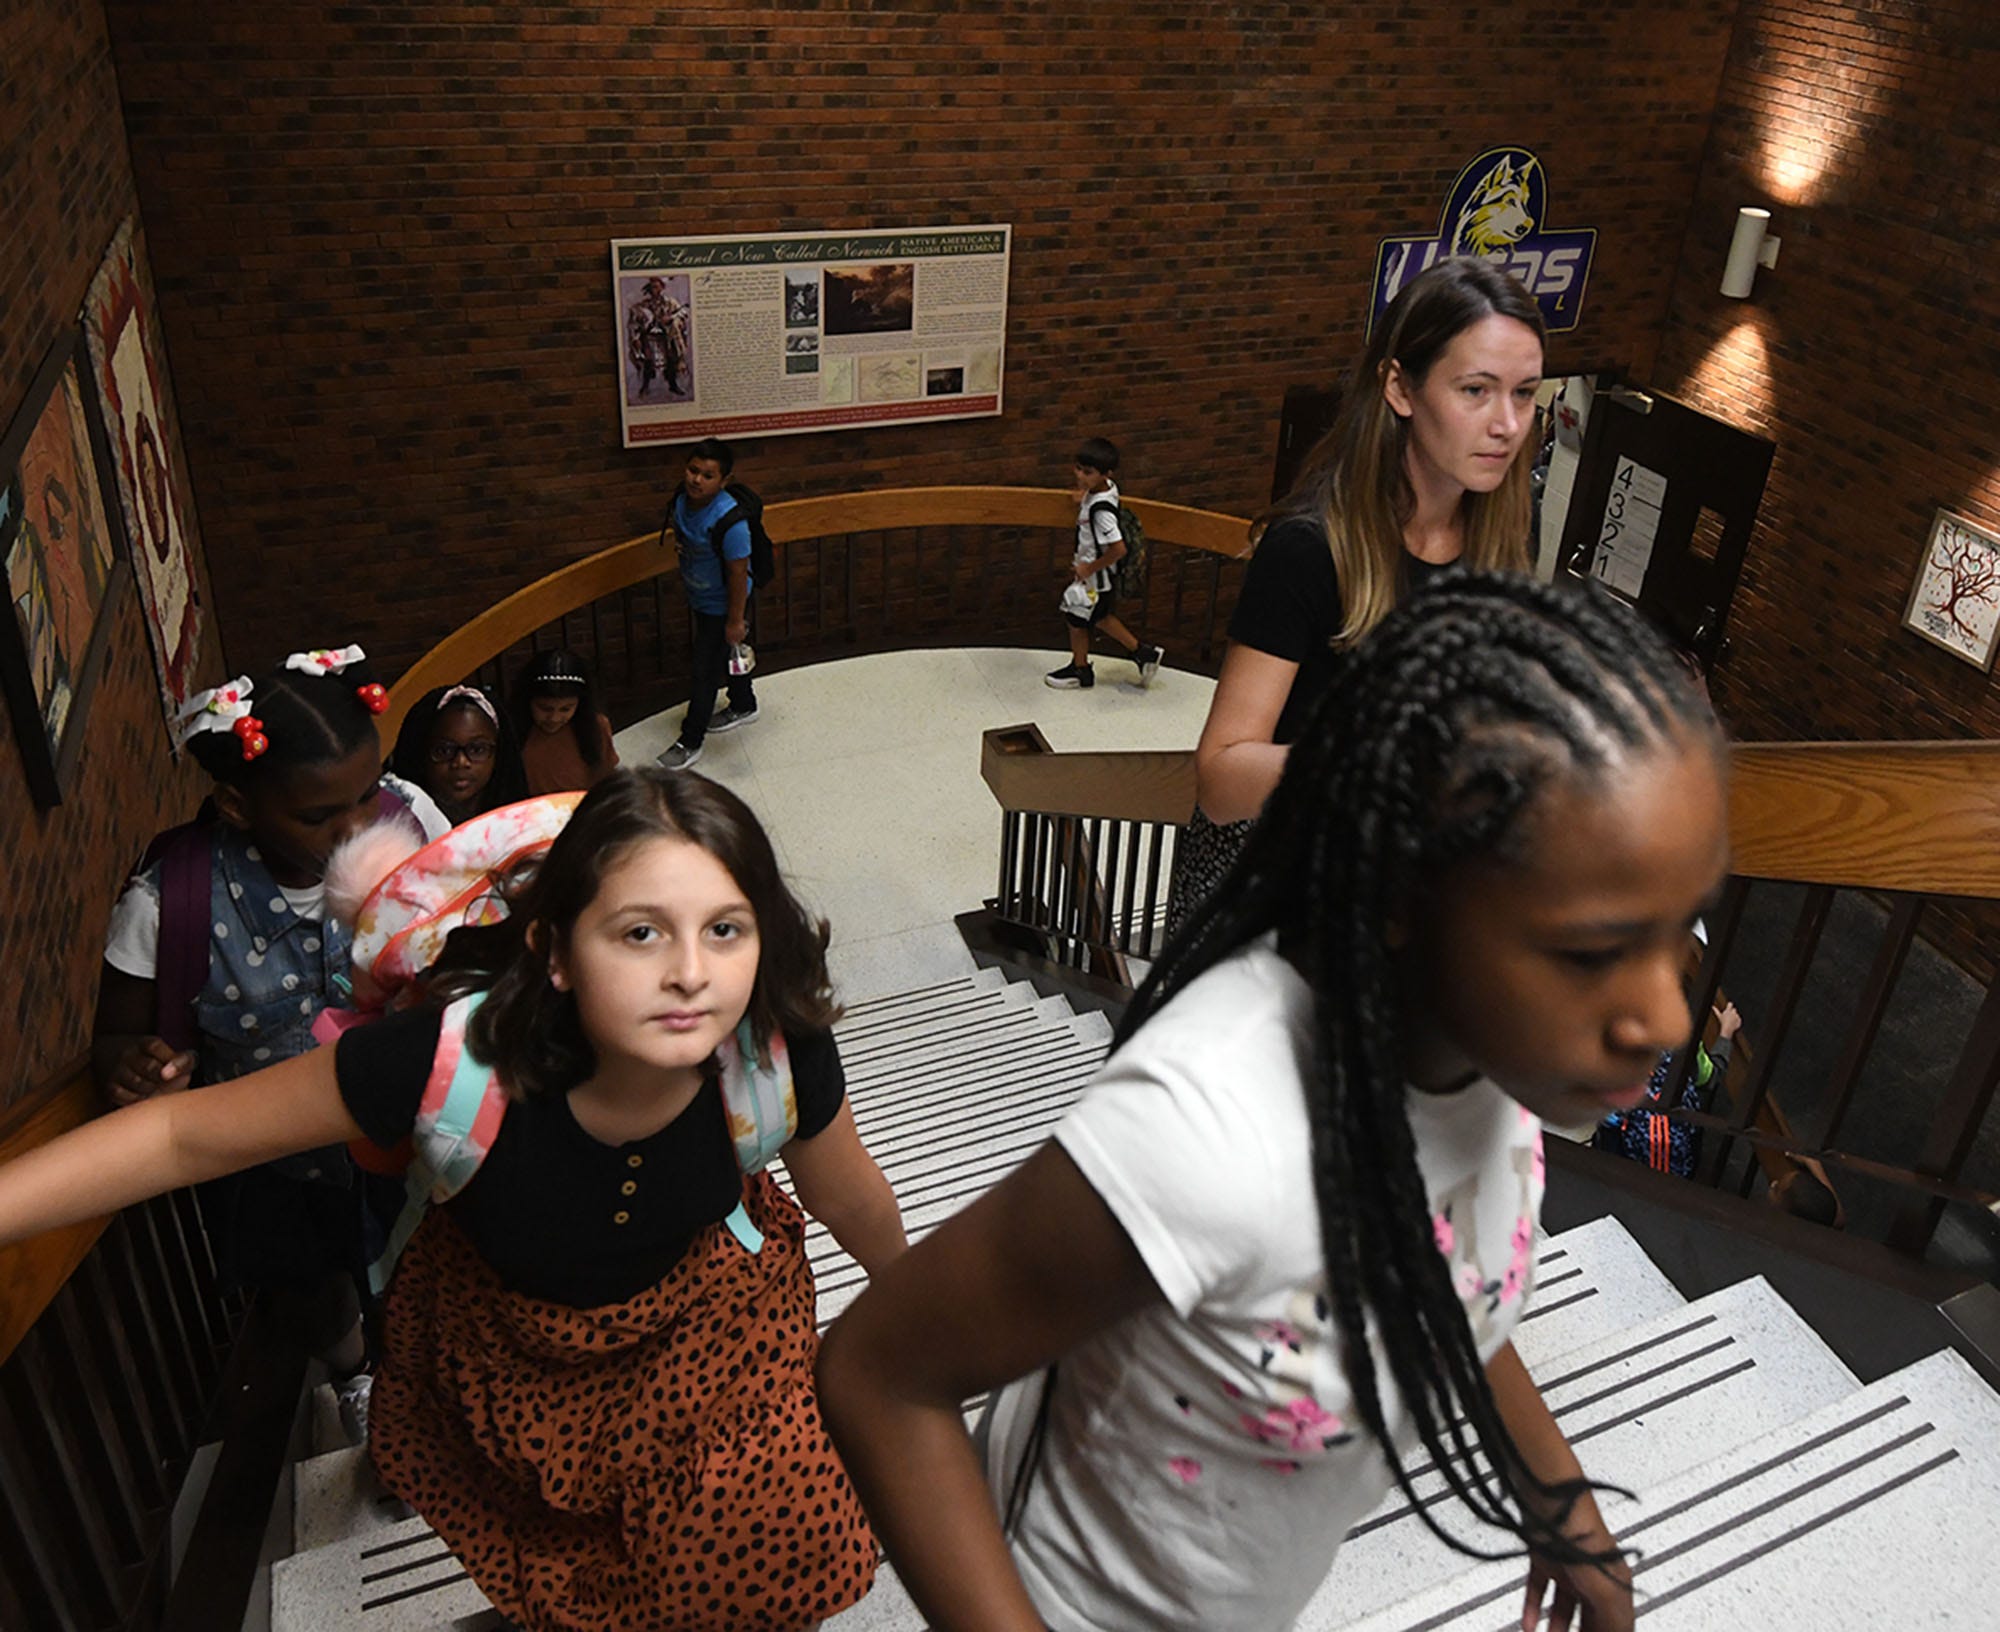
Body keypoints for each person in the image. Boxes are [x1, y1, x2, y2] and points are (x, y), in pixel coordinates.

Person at [819, 574, 1728, 1632]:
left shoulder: (1492, 1054)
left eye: (1682, 931)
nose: (1665, 1016)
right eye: (1592, 952)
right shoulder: (1204, 1138)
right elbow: (879, 1377)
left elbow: (1434, 1274)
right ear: (1400, 895)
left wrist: (1561, 1508)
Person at [24, 769, 905, 1629]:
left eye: (725, 930)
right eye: (641, 933)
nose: (690, 973)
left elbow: (851, 1197)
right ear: (554, 952)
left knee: (777, 1546)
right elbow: (181, 1135)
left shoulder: (771, 1048)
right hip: (514, 1365)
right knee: (579, 1568)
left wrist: (918, 1317)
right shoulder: (447, 1063)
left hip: (714, 1331)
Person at [92, 645, 450, 1388]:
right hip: (270, 1163)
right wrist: (133, 1065)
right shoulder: (168, 905)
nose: (357, 828)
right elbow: (117, 1035)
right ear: (236, 806)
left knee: (427, 1258)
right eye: (321, 815)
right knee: (308, 1294)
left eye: (367, 794)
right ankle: (355, 1379)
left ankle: (424, 1378)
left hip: (406, 1125)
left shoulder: (411, 819)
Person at [1168, 257, 1545, 933]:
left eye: (1524, 393)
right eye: (1476, 391)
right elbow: (1221, 780)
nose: (1508, 425)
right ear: (1400, 388)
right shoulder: (1310, 549)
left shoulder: (1507, 533)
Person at [659, 437, 758, 770]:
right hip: (701, 599)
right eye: (693, 470)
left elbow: (738, 572)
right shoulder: (682, 501)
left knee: (703, 670)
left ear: (724, 480)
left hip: (725, 605)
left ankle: (690, 740)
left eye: (707, 475)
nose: (696, 480)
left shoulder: (732, 522)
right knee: (727, 654)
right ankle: (744, 703)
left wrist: (735, 620)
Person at [1044, 436, 1165, 691]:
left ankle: (1081, 670)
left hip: (1095, 577)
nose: (1080, 476)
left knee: (1076, 618)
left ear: (1105, 473)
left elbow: (1118, 549)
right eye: (1078, 469)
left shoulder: (1101, 513)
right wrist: (1084, 497)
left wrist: (1088, 568)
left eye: (1087, 473)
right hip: (1098, 576)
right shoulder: (1107, 488)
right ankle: (1143, 653)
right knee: (1100, 617)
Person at [1592, 1000, 1740, 1177]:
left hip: (1616, 1162)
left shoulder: (1611, 1048)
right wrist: (1726, 1033)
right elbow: (1710, 1077)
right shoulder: (1684, 1045)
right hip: (1674, 1170)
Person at [388, 682, 528, 827]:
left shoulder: (521, 824)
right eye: (444, 750)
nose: (461, 762)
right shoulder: (400, 830)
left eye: (477, 749)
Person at [513, 647, 619, 795]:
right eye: (545, 708)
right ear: (528, 701)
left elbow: (606, 783)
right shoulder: (510, 729)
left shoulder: (597, 726)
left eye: (566, 709)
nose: (554, 718)